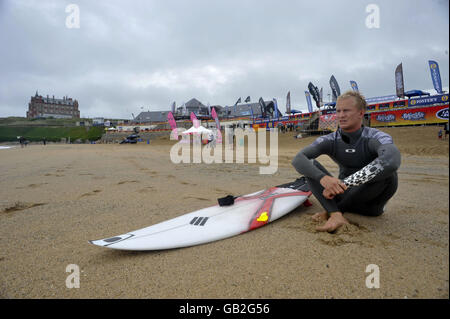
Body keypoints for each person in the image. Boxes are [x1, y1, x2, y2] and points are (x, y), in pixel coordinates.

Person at [292, 91, 401, 232]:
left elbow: (391, 161)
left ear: (361, 113)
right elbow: (298, 159)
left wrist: (344, 184)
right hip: (339, 197)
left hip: (369, 205)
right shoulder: (330, 139)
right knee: (310, 165)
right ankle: (336, 214)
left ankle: (333, 211)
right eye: (338, 111)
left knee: (390, 173)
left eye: (346, 111)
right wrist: (323, 178)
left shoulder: (375, 137)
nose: (341, 115)